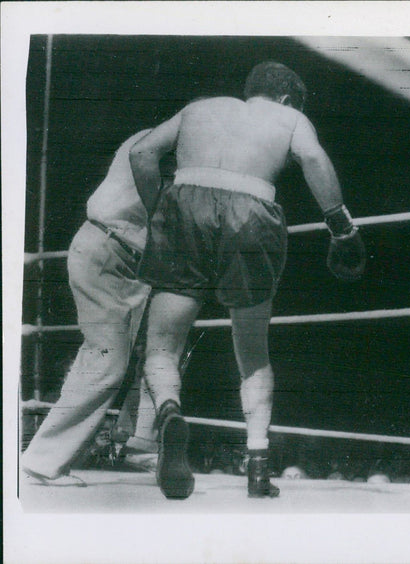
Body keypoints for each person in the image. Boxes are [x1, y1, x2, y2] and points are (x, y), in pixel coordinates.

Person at [129, 61, 366, 500]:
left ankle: (168, 412)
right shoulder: (289, 117)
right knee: (253, 353)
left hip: (185, 202)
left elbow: (141, 155)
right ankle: (258, 466)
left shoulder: (198, 109)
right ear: (286, 98)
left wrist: (161, 211)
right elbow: (313, 158)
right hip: (252, 214)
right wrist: (341, 227)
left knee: (163, 345)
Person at [21, 130, 165, 485]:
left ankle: (140, 445)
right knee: (106, 360)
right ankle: (43, 461)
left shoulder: (161, 142)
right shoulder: (154, 143)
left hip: (135, 262)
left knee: (161, 348)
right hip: (109, 252)